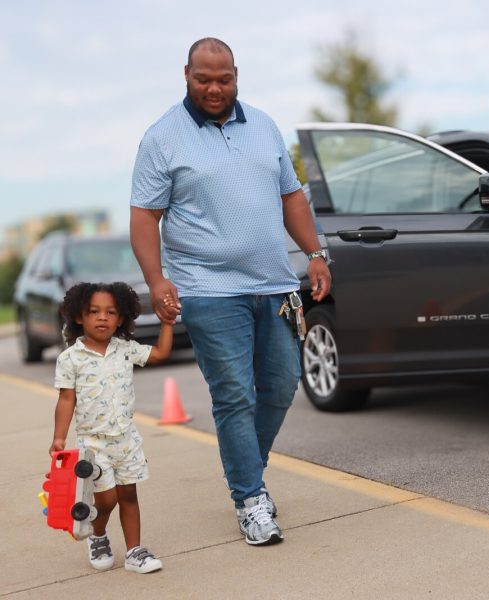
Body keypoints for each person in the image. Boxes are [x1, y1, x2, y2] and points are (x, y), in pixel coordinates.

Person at [129, 37, 331, 546]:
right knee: (235, 394)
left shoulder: (263, 126)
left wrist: (315, 253)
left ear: (236, 74)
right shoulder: (162, 138)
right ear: (186, 75)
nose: (215, 88)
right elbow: (144, 216)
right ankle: (250, 499)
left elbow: (291, 197)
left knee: (284, 385)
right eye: (204, 79)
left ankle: (245, 472)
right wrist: (157, 280)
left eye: (224, 79)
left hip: (275, 284)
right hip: (207, 288)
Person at [50, 282, 174, 573]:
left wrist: (167, 323)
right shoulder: (70, 358)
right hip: (92, 444)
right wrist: (58, 437)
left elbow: (159, 354)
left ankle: (134, 551)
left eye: (110, 312)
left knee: (128, 495)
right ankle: (97, 534)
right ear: (79, 317)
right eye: (94, 312)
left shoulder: (125, 349)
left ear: (121, 319)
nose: (102, 317)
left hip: (126, 439)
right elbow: (66, 399)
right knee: (106, 499)